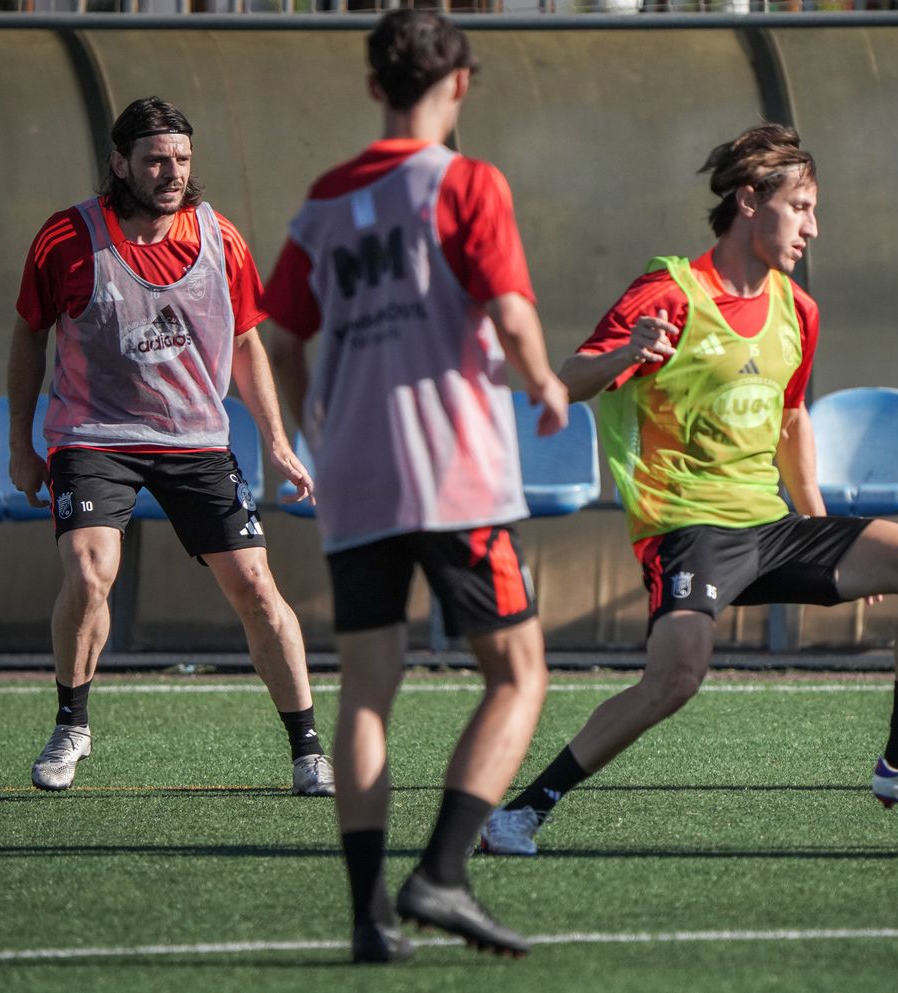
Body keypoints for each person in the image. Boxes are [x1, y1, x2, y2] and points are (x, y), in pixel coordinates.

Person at [480, 123, 898, 858]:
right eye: (802, 208)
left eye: (814, 211)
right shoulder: (668, 292)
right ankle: (522, 812)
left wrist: (823, 526)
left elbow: (791, 419)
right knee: (675, 678)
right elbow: (563, 384)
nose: (812, 228)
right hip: (689, 528)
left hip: (774, 527)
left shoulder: (799, 309)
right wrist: (627, 352)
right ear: (750, 200)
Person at [264, 9, 569, 964]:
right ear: (461, 84)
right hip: (453, 475)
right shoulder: (467, 181)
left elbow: (280, 339)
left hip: (355, 477)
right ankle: (440, 871)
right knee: (518, 673)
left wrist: (315, 424)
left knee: (366, 691)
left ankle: (369, 918)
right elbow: (510, 313)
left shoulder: (323, 200)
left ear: (373, 87)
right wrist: (546, 383)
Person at [7, 97, 334, 799]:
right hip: (93, 436)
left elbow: (248, 342)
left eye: (182, 158)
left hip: (195, 440)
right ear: (120, 162)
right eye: (156, 160)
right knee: (90, 572)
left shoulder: (221, 238)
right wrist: (20, 445)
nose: (173, 172)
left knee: (256, 587)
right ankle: (71, 725)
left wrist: (278, 442)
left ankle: (308, 749)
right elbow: (28, 335)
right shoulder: (66, 238)